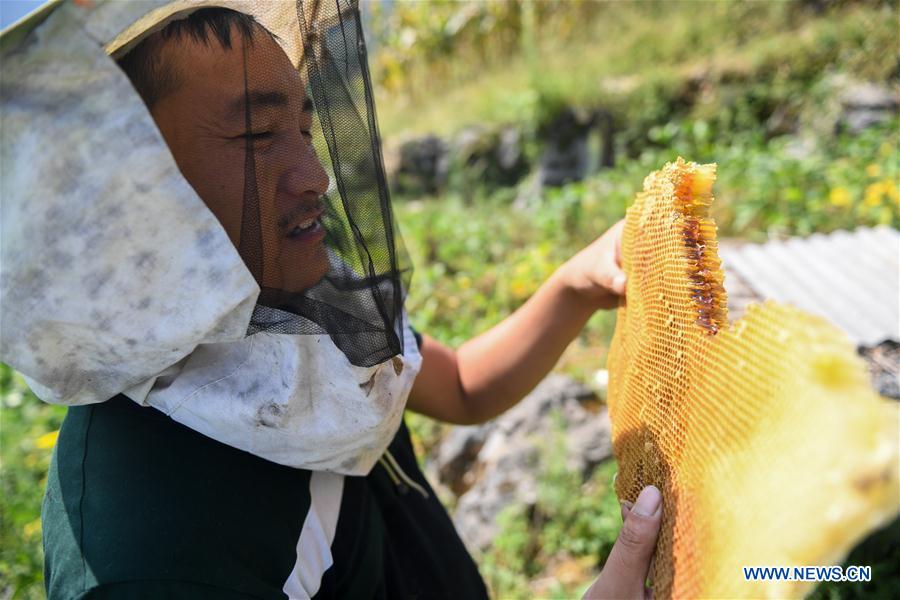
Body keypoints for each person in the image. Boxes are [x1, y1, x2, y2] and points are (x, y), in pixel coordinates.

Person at [1, 3, 660, 598]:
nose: (315, 175)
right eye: (259, 137)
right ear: (119, 193)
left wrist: (578, 283)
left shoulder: (291, 313)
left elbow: (459, 386)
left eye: (305, 131)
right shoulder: (150, 561)